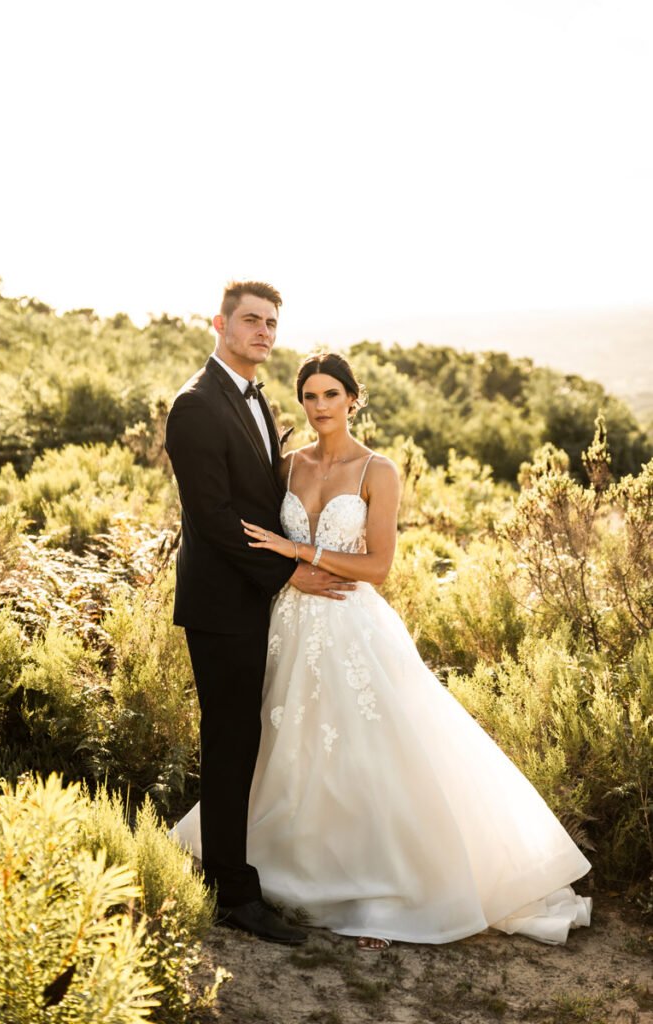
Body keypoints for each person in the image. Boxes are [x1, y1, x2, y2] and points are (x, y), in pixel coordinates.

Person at [173, 351, 593, 949]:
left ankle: (376, 876)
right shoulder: (287, 467)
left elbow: (378, 566)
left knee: (363, 750)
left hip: (349, 623)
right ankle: (275, 864)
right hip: (287, 623)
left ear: (353, 399)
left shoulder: (379, 471)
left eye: (331, 395)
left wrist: (299, 552)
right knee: (282, 745)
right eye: (310, 396)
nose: (320, 407)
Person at [165, 285, 355, 946]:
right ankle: (232, 894)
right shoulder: (195, 404)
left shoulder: (255, 395)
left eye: (272, 322)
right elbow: (213, 518)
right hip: (222, 605)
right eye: (251, 319)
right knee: (230, 741)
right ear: (219, 323)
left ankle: (246, 867)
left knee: (251, 738)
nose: (263, 331)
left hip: (258, 602)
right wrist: (290, 572)